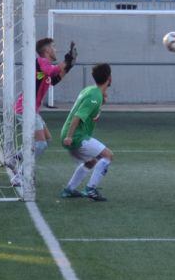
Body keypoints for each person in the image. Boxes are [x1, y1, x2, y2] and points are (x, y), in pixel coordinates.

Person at [9, 38, 76, 185]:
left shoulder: (43, 66)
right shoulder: (41, 62)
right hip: (26, 108)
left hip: (29, 109)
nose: (56, 49)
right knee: (41, 144)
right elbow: (51, 71)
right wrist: (65, 62)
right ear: (47, 51)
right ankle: (20, 175)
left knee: (47, 139)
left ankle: (15, 158)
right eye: (54, 46)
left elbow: (54, 80)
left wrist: (68, 67)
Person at [58, 63, 114, 202]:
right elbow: (78, 116)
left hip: (70, 135)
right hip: (76, 136)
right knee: (108, 156)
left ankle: (69, 190)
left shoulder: (90, 90)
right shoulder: (94, 96)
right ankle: (91, 189)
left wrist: (102, 100)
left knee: (91, 162)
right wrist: (70, 137)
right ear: (109, 78)